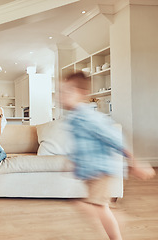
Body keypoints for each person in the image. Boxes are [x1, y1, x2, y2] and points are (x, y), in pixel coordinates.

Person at [60, 72, 155, 240]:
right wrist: (74, 162)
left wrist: (134, 162)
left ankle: (117, 233)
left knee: (95, 207)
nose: (62, 96)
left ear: (82, 93)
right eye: (61, 92)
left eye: (68, 92)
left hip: (101, 171)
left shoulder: (88, 116)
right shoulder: (74, 117)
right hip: (90, 172)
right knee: (100, 207)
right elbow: (81, 145)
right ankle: (116, 222)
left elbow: (114, 138)